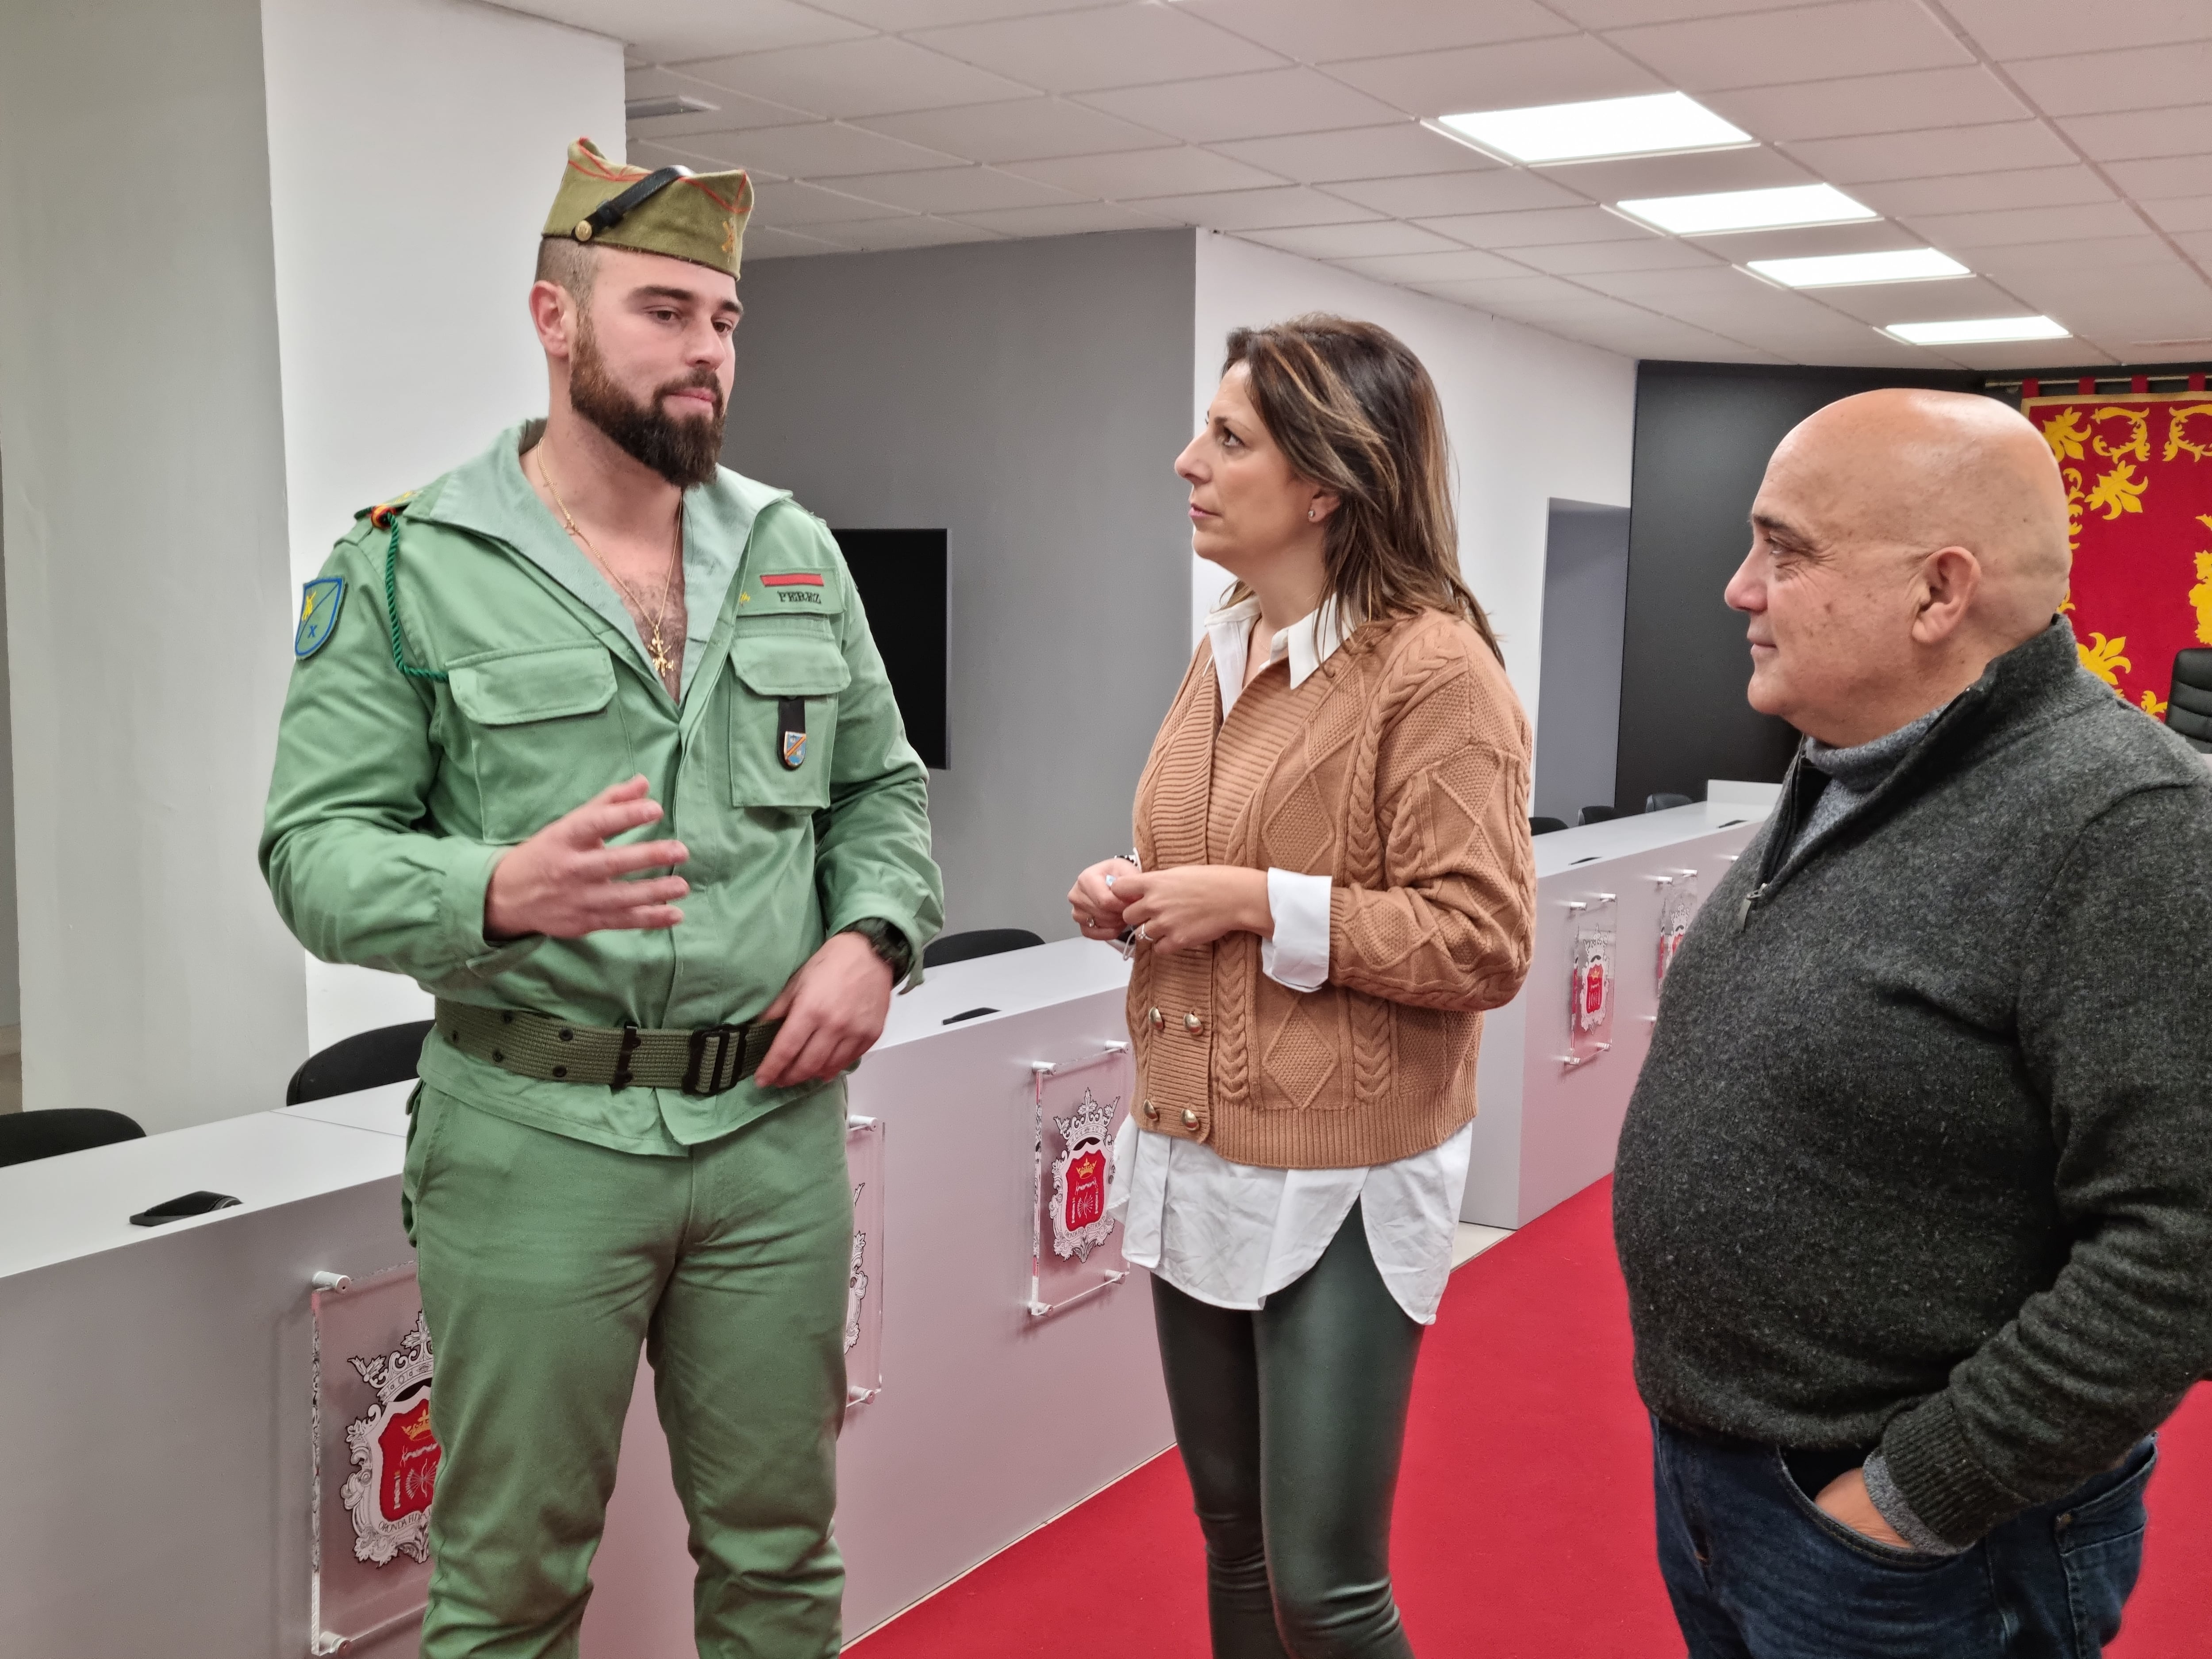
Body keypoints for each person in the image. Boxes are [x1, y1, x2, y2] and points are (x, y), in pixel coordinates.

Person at [261, 138, 942, 1659]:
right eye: (663, 312)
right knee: (509, 1582)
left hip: (771, 1133)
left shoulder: (791, 552)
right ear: (554, 321)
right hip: (533, 1137)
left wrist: (873, 937)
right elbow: (311, 853)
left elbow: (880, 794)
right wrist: (494, 887)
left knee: (782, 1560)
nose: (707, 351)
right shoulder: (412, 564)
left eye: (725, 320)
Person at [1613, 388, 2212, 1658]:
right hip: (1734, 1485)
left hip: (1907, 1541)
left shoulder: (2129, 827)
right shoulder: (1854, 758)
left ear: (1940, 594)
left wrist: (1907, 1503)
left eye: (1786, 550)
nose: (1739, 589)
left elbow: (2184, 1246)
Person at [1068, 315, 1535, 1659]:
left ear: (1326, 484)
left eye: (1229, 440)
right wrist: (1131, 897)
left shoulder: (1433, 668)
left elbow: (1485, 941)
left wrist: (1256, 904)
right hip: (1198, 1142)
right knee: (1237, 1549)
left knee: (1327, 1594)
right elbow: (1210, 867)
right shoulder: (1226, 644)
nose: (1186, 464)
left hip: (1340, 1170)